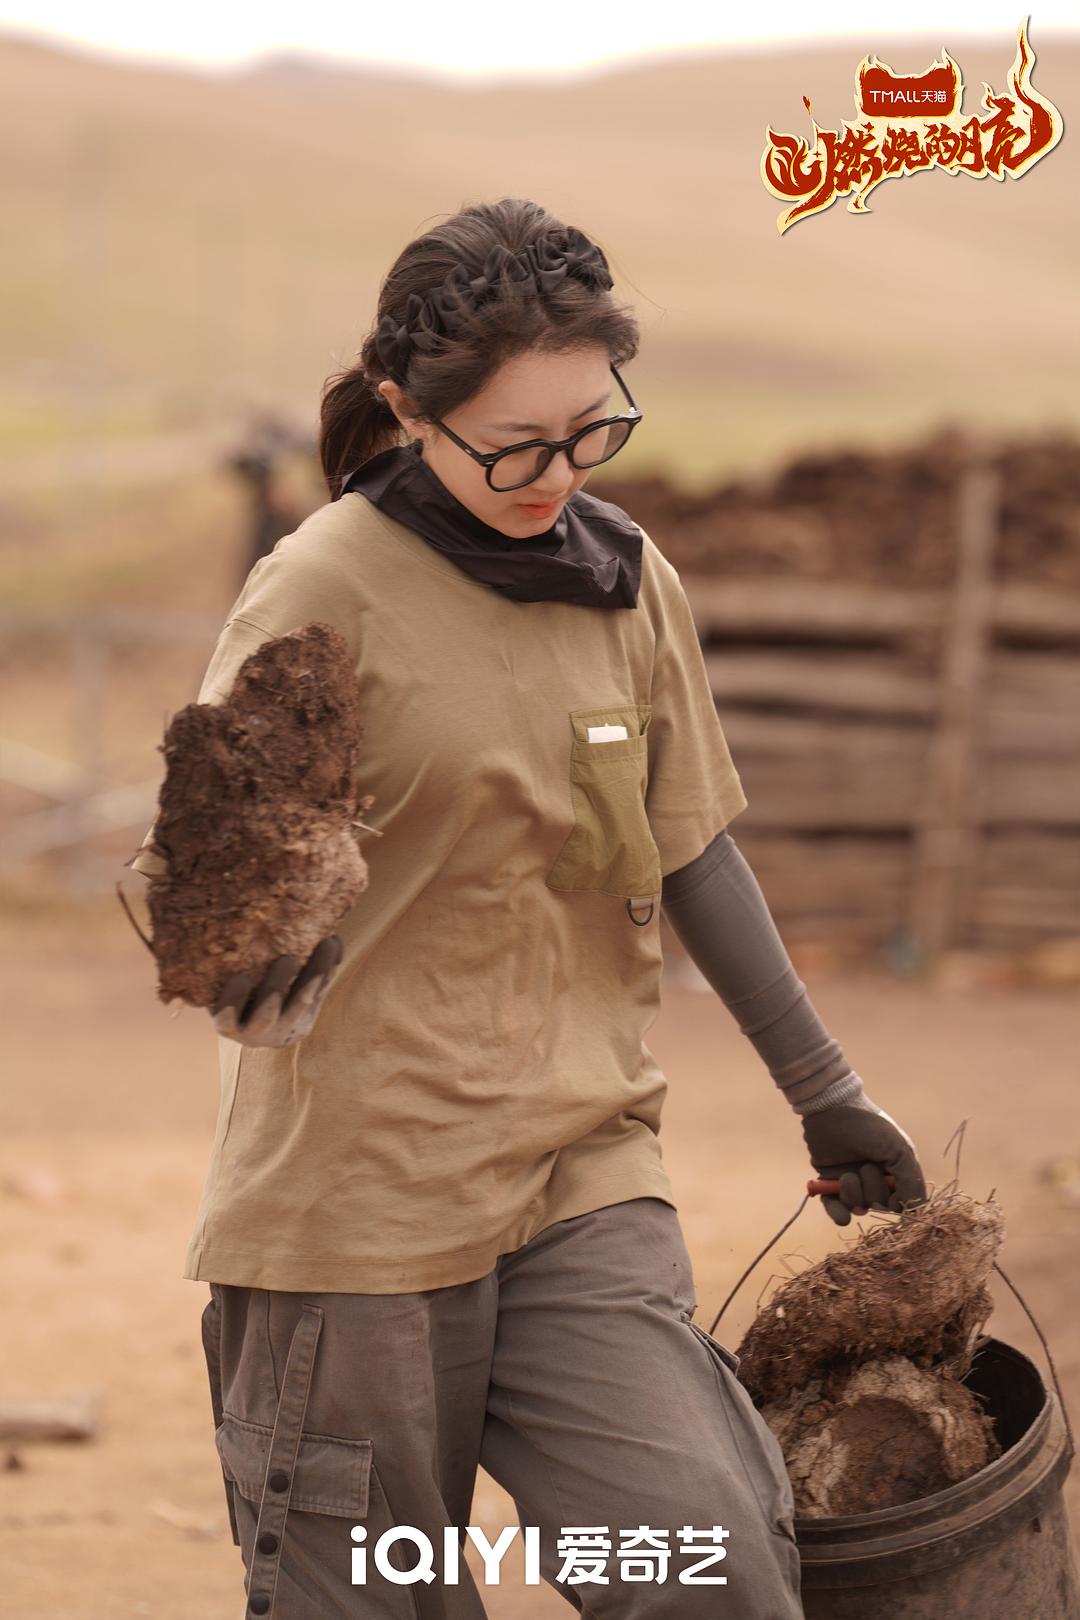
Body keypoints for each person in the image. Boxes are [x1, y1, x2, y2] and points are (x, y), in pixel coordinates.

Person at [129, 197, 926, 1619]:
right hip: (358, 1210)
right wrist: (248, 943)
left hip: (581, 1170)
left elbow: (691, 850)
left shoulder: (626, 584)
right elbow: (204, 873)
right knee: (389, 1590)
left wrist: (830, 1091)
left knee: (711, 1564)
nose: (558, 473)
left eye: (590, 431)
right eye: (516, 445)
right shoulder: (324, 585)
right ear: (405, 412)